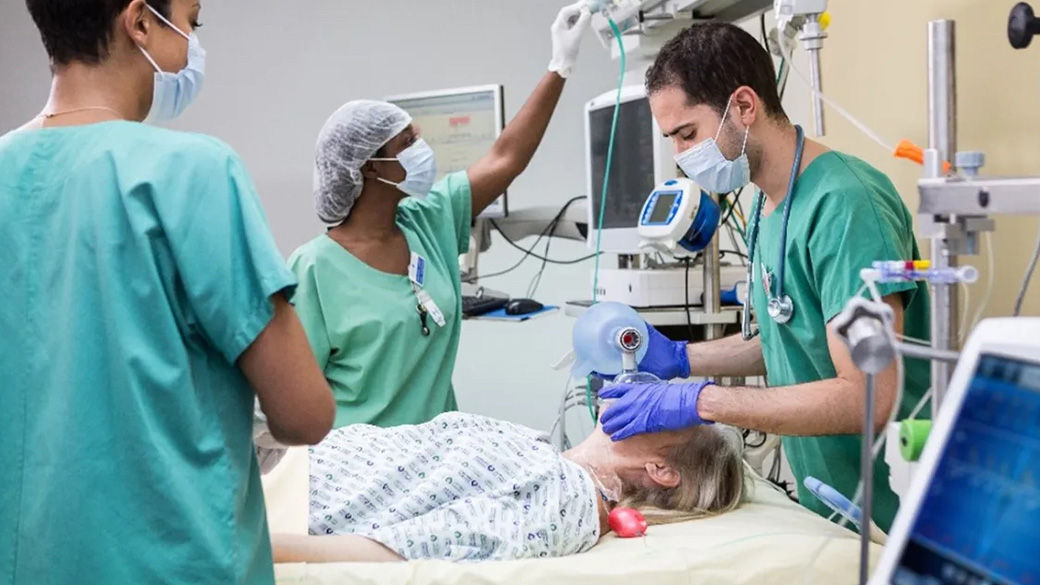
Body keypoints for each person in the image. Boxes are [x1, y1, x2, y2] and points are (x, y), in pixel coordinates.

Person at [0, 1, 335, 584]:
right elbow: (305, 414)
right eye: (192, 22)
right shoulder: (193, 172)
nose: (193, 45)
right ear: (141, 23)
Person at [595, 23, 930, 533]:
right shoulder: (768, 206)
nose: (684, 158)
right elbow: (784, 334)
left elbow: (869, 396)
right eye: (673, 141)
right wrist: (679, 359)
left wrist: (701, 400)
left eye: (688, 134)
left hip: (896, 506)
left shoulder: (846, 205)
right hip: (832, 500)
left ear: (744, 106)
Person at [287, 2, 593, 428]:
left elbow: (507, 157)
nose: (421, 147)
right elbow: (296, 402)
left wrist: (560, 66)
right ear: (371, 166)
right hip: (358, 466)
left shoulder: (428, 219)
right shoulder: (314, 269)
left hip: (436, 456)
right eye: (407, 142)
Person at [269, 411, 746, 562]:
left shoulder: (567, 504)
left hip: (280, 499)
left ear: (661, 470)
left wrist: (255, 546)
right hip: (275, 457)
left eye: (666, 412)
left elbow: (410, 548)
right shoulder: (545, 455)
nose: (645, 397)